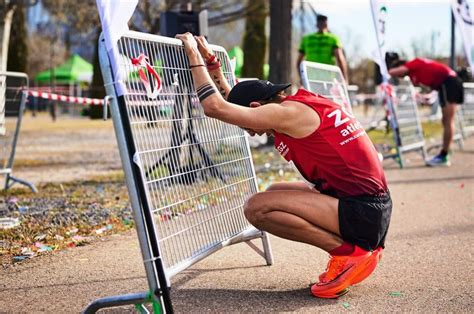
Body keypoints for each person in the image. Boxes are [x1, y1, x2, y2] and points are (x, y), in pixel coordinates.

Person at [176, 32, 392, 299]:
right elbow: (235, 98)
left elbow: (215, 108)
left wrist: (194, 58)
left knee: (257, 208)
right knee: (274, 190)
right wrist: (213, 64)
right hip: (369, 207)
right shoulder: (294, 104)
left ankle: (350, 254)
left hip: (363, 213)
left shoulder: (285, 114)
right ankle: (353, 250)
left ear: (258, 107)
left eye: (249, 126)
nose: (252, 133)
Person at [388, 55, 464, 167]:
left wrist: (386, 72)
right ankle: (446, 151)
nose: (399, 77)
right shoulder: (413, 73)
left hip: (449, 82)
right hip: (448, 83)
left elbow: (395, 71)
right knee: (446, 121)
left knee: (448, 121)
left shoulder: (413, 63)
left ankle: (444, 155)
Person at [296, 15, 349, 82]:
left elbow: (298, 62)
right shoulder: (333, 38)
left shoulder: (307, 39)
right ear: (326, 24)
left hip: (315, 79)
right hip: (320, 80)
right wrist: (345, 79)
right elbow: (340, 59)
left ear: (316, 24)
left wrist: (301, 78)